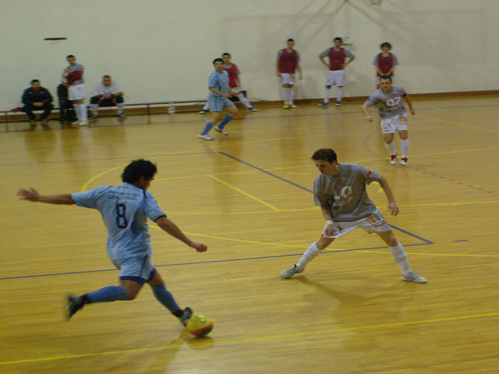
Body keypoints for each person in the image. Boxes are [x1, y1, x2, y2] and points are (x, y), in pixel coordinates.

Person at [17, 159, 208, 324]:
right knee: (128, 293)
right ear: (142, 179)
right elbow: (163, 221)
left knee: (156, 282)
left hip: (115, 252)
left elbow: (68, 198)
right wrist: (190, 243)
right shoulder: (143, 196)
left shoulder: (104, 192)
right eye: (150, 180)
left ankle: (181, 315)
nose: (149, 185)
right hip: (136, 253)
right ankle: (80, 300)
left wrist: (40, 198)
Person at [280, 148, 427, 284]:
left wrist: (392, 201)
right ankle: (299, 267)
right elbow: (324, 205)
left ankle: (407, 273)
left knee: (391, 239)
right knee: (322, 243)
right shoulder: (320, 182)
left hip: (367, 213)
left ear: (333, 163)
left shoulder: (356, 170)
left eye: (322, 166)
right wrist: (329, 221)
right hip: (341, 217)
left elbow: (381, 179)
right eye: (317, 166)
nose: (319, 169)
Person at [362, 75, 415, 166]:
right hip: (387, 117)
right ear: (380, 84)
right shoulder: (377, 94)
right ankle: (393, 153)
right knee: (388, 139)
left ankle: (404, 156)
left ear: (391, 83)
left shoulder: (399, 89)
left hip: (400, 114)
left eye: (387, 83)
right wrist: (368, 115)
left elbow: (406, 97)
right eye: (383, 83)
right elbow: (364, 106)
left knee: (403, 134)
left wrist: (411, 108)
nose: (385, 85)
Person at [198, 58, 239, 141]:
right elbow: (211, 88)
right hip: (215, 98)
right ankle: (203, 134)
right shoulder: (214, 75)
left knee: (234, 111)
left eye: (220, 63)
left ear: (223, 65)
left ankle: (220, 127)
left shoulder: (225, 73)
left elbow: (225, 84)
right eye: (217, 64)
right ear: (214, 65)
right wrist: (223, 94)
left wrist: (231, 91)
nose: (219, 65)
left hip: (223, 97)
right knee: (216, 117)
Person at [318, 37, 355, 107]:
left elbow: (352, 57)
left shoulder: (344, 51)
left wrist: (346, 63)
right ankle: (325, 101)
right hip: (332, 71)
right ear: (334, 43)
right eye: (336, 42)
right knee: (328, 86)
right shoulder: (330, 50)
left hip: (340, 71)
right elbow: (320, 56)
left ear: (341, 43)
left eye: (339, 42)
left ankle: (338, 100)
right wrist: (326, 64)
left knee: (340, 86)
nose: (337, 43)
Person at [277, 39, 303, 109]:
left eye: (292, 44)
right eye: (289, 43)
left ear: (293, 44)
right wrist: (278, 71)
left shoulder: (296, 53)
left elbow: (297, 63)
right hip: (283, 72)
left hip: (292, 72)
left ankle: (291, 102)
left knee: (291, 87)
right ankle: (286, 102)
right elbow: (278, 61)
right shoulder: (281, 52)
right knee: (285, 87)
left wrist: (300, 73)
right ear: (287, 44)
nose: (290, 45)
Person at [62, 55, 88, 126]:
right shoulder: (68, 68)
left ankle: (84, 120)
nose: (71, 61)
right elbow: (65, 77)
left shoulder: (79, 66)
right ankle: (79, 119)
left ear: (75, 59)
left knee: (80, 101)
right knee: (75, 102)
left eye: (72, 60)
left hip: (79, 85)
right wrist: (65, 81)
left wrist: (70, 72)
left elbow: (78, 76)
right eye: (69, 60)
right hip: (72, 86)